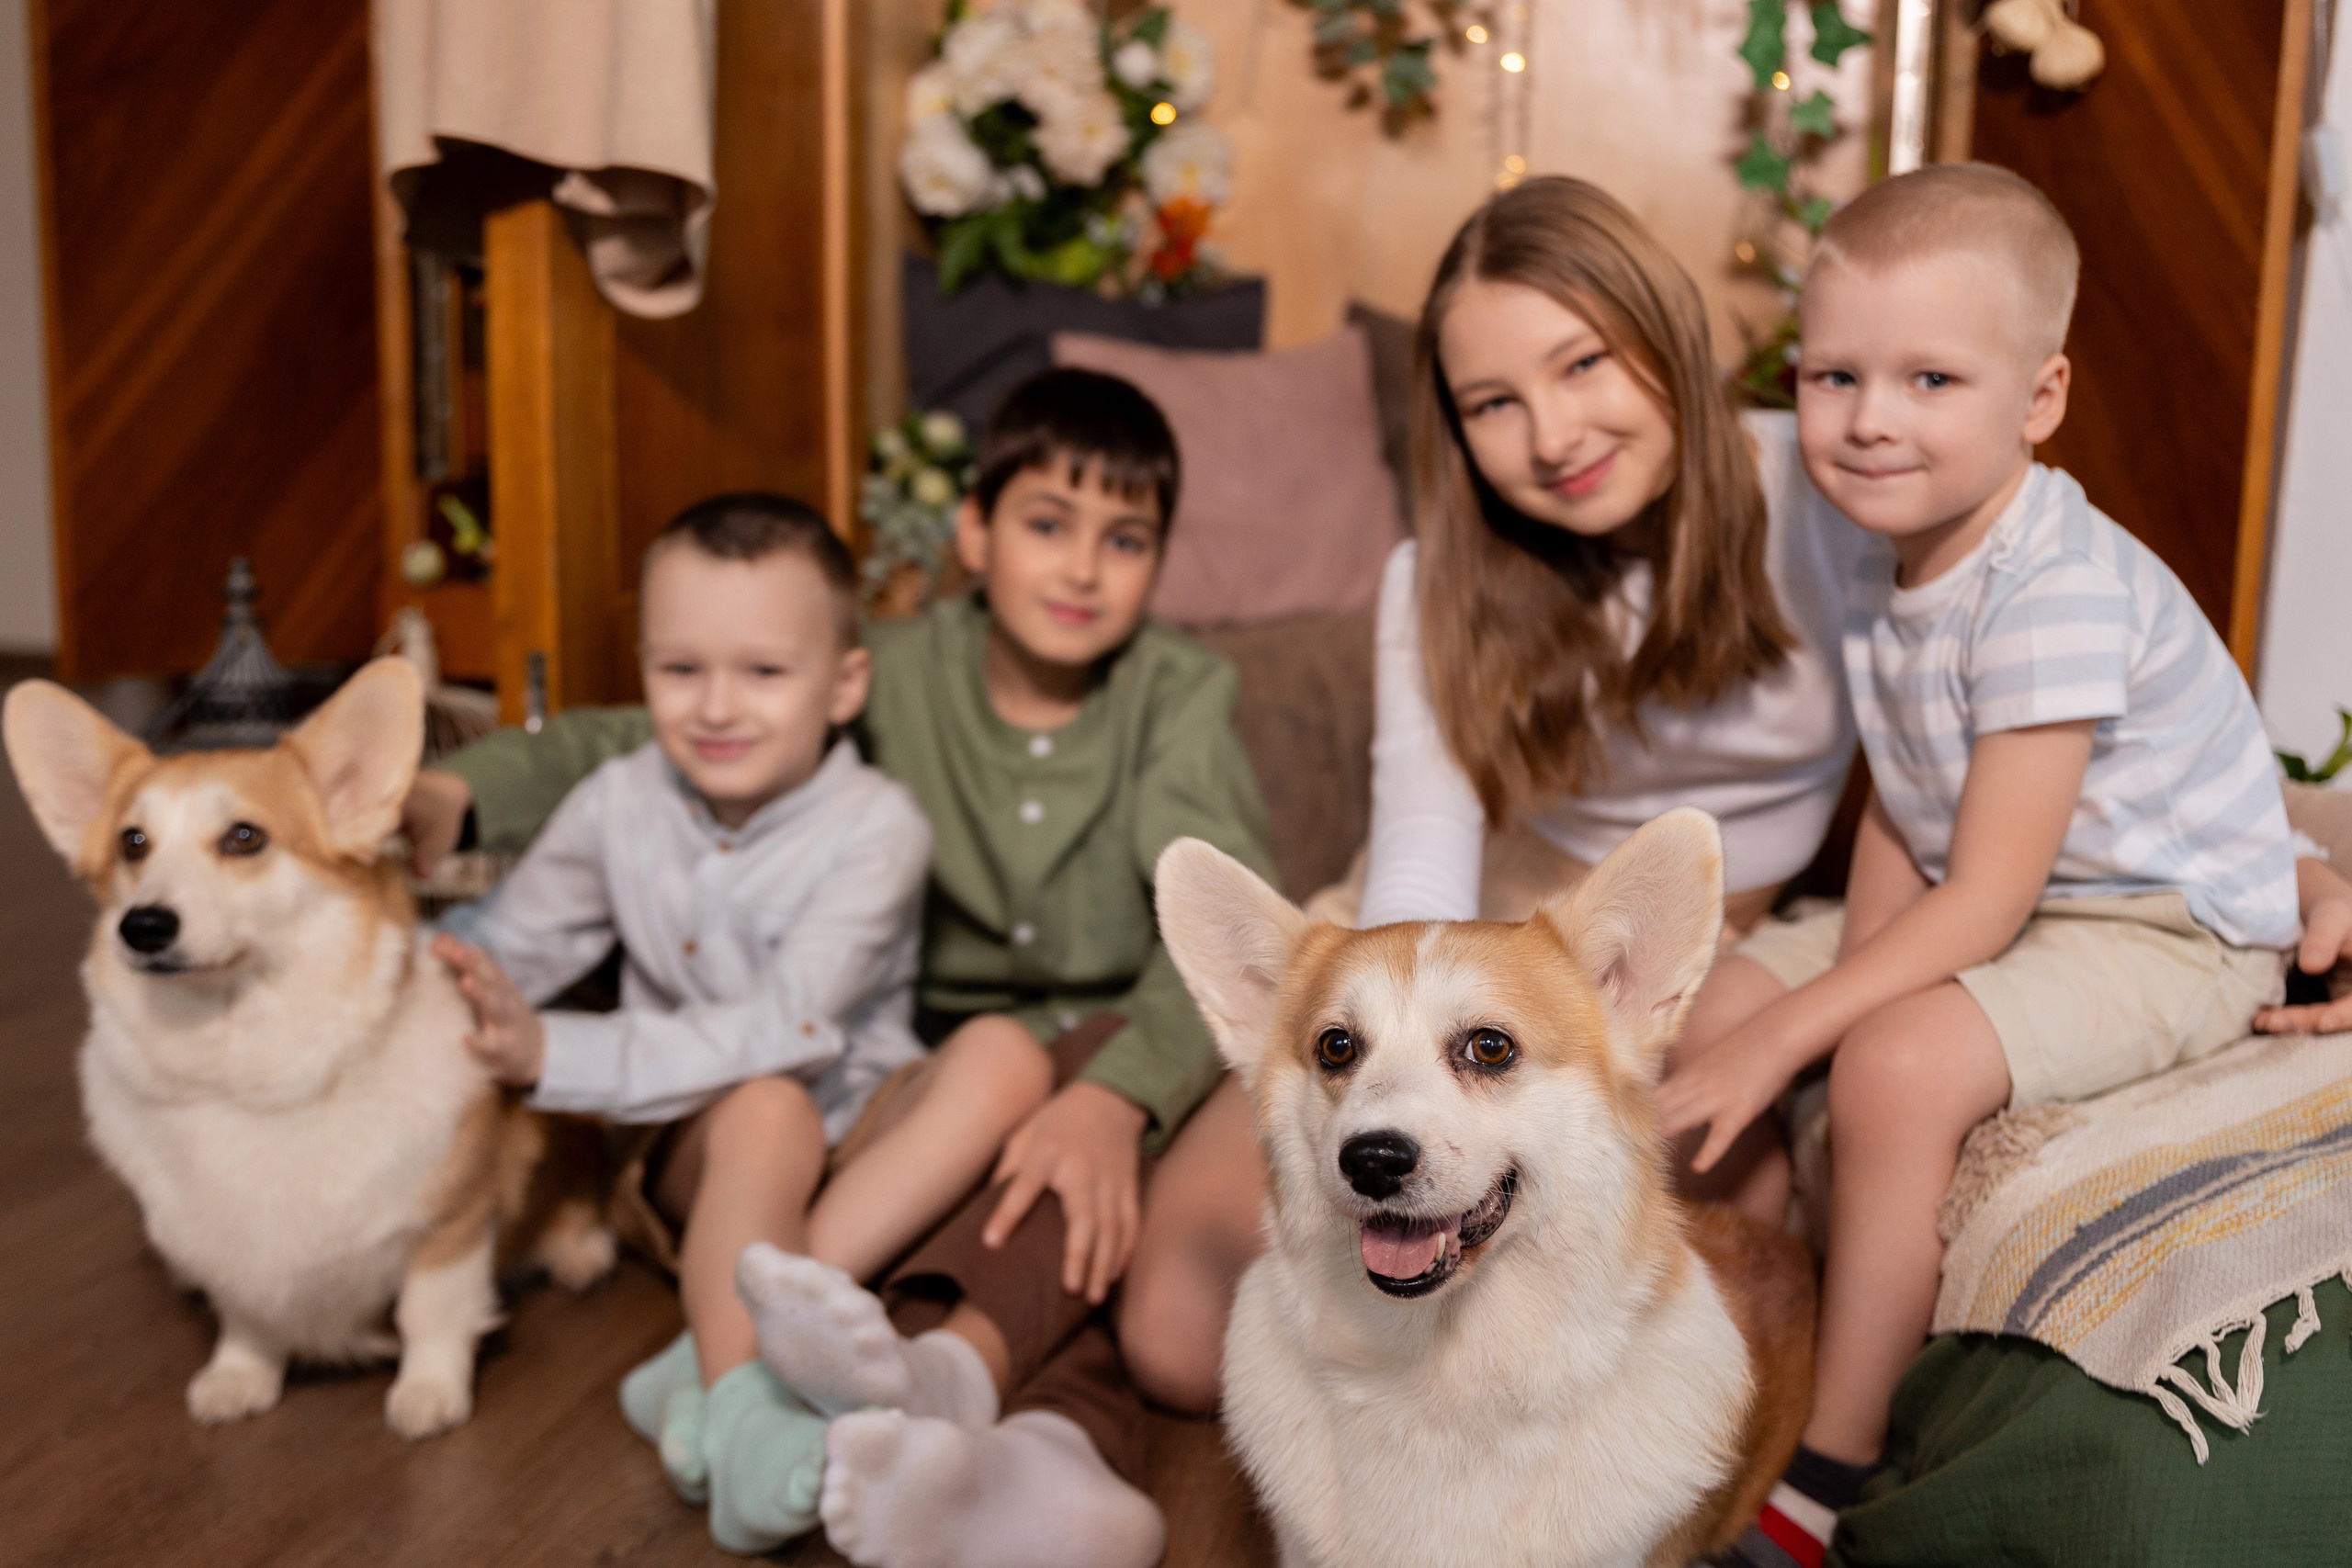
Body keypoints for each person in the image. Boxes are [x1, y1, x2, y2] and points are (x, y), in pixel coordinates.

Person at [406, 368, 1278, 1568]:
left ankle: (1014, 1436)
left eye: (1123, 538)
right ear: (971, 532)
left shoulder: (1182, 689)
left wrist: (1121, 1093)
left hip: (1117, 1036)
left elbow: (1213, 919)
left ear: (1159, 558)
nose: (1081, 568)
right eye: (1044, 524)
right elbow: (659, 735)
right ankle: (1039, 1445)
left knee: (1075, 1171)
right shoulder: (896, 663)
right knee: (1003, 1156)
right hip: (930, 1066)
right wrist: (464, 792)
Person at [1654, 163, 2308, 1564]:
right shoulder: (1898, 551)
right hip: (2014, 883)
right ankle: (1740, 1335)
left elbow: (1993, 896)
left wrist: (1808, 1032)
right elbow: (1912, 795)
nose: (1870, 419)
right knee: (1709, 1013)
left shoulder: (2052, 591)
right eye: (1833, 376)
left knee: (1891, 1064)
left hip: (2162, 922)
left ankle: (1828, 1464)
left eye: (1932, 379)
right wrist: (1788, 1006)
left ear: (2042, 399)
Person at [431, 495, 1057, 1552]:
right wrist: (428, 977)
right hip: (699, 1135)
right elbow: (506, 949)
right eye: (680, 670)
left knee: (1007, 1053)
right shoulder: (618, 802)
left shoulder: (880, 830)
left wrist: (555, 1052)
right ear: (643, 668)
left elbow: (795, 1024)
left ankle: (712, 1351)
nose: (717, 707)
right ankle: (745, 1413)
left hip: (858, 1121)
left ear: (844, 685)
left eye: (764, 673)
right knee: (765, 1111)